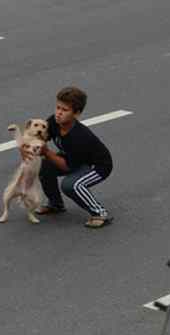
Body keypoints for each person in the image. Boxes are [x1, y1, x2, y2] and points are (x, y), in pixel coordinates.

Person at [35, 86, 114, 228]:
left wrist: (46, 152)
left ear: (76, 114)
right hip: (76, 159)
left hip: (98, 167)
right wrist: (31, 143)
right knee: (42, 166)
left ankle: (100, 213)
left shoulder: (79, 136)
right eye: (58, 107)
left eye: (64, 110)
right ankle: (56, 205)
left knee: (71, 185)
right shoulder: (54, 121)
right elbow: (41, 137)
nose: (58, 113)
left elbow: (67, 166)